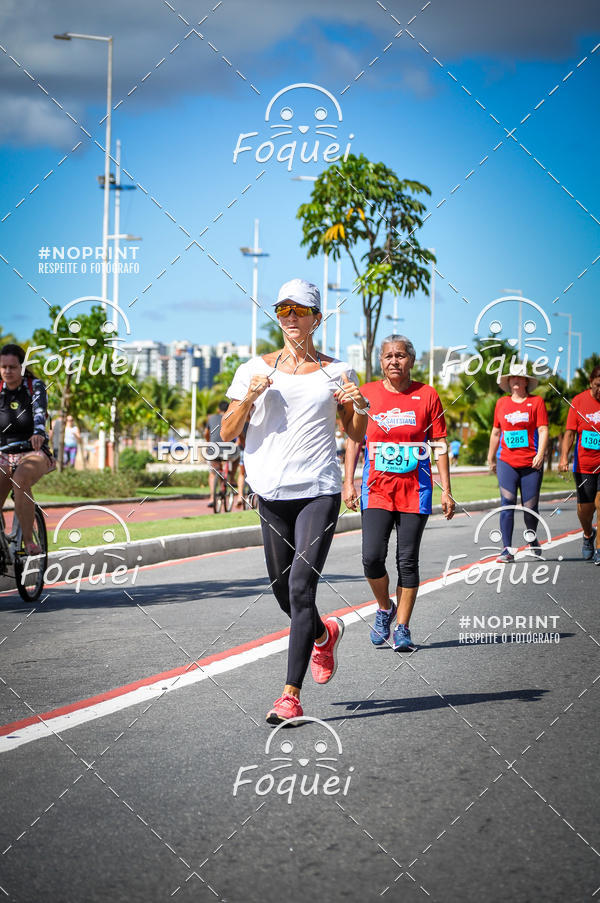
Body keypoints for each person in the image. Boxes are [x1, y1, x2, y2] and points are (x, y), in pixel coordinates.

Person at [222, 278, 369, 725]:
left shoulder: (338, 371)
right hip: (270, 493)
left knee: (302, 588)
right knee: (283, 592)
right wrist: (249, 397)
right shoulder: (253, 369)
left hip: (318, 490)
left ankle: (290, 695)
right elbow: (227, 432)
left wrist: (358, 406)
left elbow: (355, 432)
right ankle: (323, 633)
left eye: (299, 310)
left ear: (316, 319)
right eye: (283, 310)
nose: (290, 317)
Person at [344, 335, 455, 652]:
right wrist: (348, 482)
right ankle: (384, 608)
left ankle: (403, 628)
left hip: (415, 490)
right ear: (381, 361)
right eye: (389, 356)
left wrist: (447, 489)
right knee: (371, 558)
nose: (395, 361)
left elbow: (439, 443)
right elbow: (354, 439)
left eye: (401, 355)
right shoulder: (367, 393)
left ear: (411, 360)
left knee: (407, 560)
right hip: (376, 490)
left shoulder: (427, 395)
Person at [487, 363, 548, 563]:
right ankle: (506, 549)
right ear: (508, 381)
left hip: (531, 463)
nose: (515, 380)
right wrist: (490, 457)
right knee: (507, 503)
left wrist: (540, 454)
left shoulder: (536, 402)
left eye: (519, 377)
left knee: (530, 508)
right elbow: (496, 432)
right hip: (506, 461)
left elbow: (543, 430)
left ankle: (532, 537)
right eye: (512, 377)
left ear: (526, 381)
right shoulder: (501, 403)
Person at [0, 344, 54, 555]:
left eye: (12, 367)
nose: (7, 371)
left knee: (20, 480)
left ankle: (29, 541)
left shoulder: (34, 386)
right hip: (4, 453)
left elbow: (40, 412)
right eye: (3, 367)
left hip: (32, 451)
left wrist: (39, 432)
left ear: (21, 368)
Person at [559, 364, 600, 564]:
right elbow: (569, 433)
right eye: (598, 385)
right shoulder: (578, 401)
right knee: (585, 510)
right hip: (584, 465)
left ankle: (599, 547)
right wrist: (564, 457)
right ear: (590, 382)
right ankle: (588, 534)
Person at [204, 400, 240, 507]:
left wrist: (209, 442)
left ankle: (212, 497)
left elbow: (206, 433)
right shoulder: (232, 416)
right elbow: (238, 433)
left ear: (218, 409)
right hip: (229, 449)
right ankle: (232, 478)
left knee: (212, 472)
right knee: (237, 456)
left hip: (213, 450)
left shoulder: (211, 418)